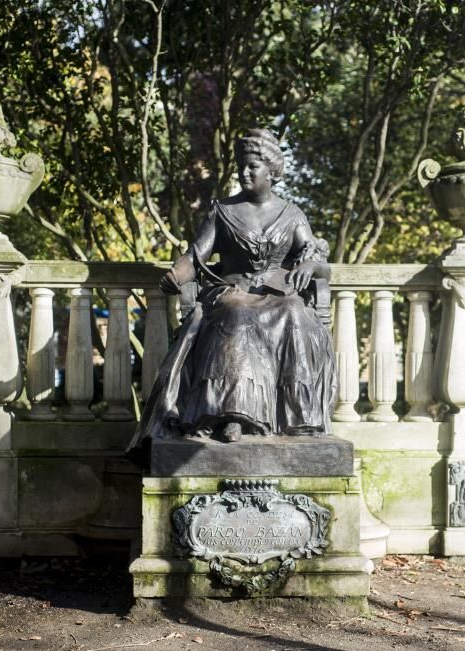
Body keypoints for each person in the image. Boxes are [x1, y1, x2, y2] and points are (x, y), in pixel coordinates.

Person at [128, 128, 335, 452]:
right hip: (232, 289)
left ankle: (298, 417)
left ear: (272, 171)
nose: (245, 171)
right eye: (242, 165)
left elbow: (319, 261)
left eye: (253, 165)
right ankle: (231, 415)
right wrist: (177, 275)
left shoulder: (293, 214)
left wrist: (309, 266)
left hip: (278, 293)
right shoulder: (223, 211)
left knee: (295, 313)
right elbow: (195, 255)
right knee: (236, 313)